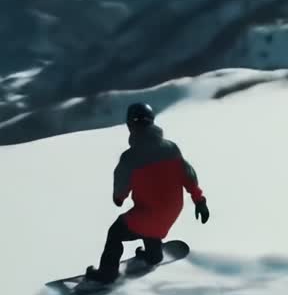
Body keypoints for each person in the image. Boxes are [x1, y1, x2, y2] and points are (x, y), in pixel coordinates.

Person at [84, 102, 209, 284]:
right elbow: (189, 175)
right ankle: (153, 255)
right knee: (150, 223)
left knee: (116, 232)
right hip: (171, 212)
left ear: (130, 125)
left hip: (148, 215)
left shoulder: (129, 157)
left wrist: (118, 198)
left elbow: (120, 192)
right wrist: (200, 201)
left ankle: (107, 274)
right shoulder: (172, 149)